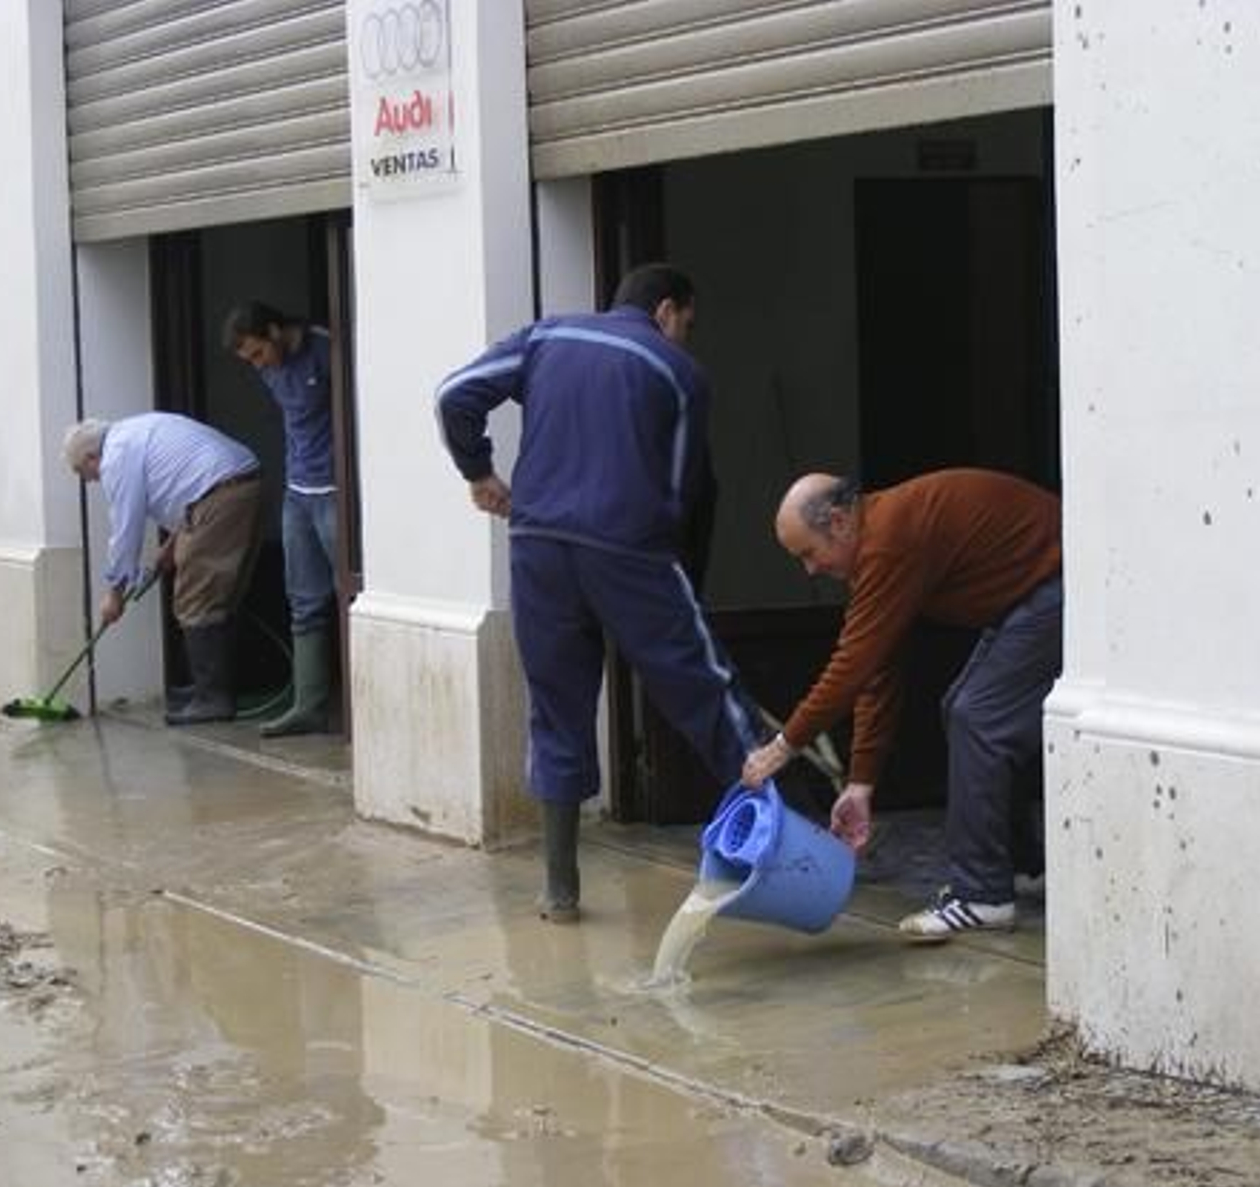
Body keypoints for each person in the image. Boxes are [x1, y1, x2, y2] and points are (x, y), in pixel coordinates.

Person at [435, 263, 765, 923]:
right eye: (688, 324)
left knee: (556, 711)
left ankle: (560, 890)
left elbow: (455, 394)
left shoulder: (545, 337)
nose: (686, 337)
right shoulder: (678, 372)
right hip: (630, 550)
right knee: (705, 690)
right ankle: (783, 846)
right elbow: (683, 490)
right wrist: (673, 580)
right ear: (667, 311)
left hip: (536, 547)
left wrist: (479, 474)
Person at [741, 469, 1062, 943]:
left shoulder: (888, 540)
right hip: (1026, 594)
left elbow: (851, 664)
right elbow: (876, 668)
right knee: (966, 710)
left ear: (838, 521)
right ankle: (1017, 865)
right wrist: (861, 783)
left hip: (1059, 582)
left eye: (808, 553)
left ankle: (983, 895)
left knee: (976, 716)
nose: (809, 570)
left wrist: (785, 745)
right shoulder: (877, 541)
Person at [63, 413, 263, 726]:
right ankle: (208, 688)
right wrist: (169, 549)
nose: (89, 480)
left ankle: (213, 699)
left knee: (195, 598)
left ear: (92, 456)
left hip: (221, 494)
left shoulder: (116, 457)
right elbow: (186, 485)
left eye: (82, 471)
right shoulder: (135, 431)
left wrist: (114, 593)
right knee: (212, 594)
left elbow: (126, 528)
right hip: (233, 484)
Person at [222, 302, 338, 738]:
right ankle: (308, 705)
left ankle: (363, 705)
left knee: (349, 593)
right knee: (303, 600)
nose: (257, 366)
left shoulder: (325, 351)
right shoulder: (268, 370)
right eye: (249, 360)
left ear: (275, 330)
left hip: (334, 490)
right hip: (299, 491)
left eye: (258, 354)